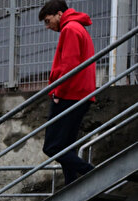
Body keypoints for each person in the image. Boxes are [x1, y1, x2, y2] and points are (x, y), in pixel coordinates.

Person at [39, 1, 96, 186]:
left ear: (59, 14)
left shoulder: (70, 29)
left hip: (70, 94)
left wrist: (58, 92)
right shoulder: (77, 27)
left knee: (52, 146)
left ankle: (91, 172)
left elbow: (70, 66)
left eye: (48, 21)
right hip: (80, 94)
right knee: (65, 146)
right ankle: (72, 193)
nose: (48, 26)